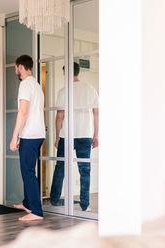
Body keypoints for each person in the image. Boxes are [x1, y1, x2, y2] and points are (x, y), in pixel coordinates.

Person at [50, 62, 99, 211]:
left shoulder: (64, 91)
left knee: (60, 167)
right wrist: (96, 135)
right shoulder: (90, 89)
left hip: (67, 135)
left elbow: (60, 116)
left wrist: (57, 136)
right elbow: (96, 113)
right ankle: (85, 205)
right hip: (85, 134)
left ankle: (54, 199)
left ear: (67, 73)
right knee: (85, 170)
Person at [9, 55, 46, 221]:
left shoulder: (25, 84)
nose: (16, 70)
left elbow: (23, 111)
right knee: (28, 170)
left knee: (28, 172)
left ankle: (36, 212)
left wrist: (14, 136)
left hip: (29, 135)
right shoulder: (36, 85)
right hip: (37, 134)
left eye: (16, 68)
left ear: (20, 67)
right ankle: (28, 203)